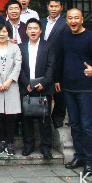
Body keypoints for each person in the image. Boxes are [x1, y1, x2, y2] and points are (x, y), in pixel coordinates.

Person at [62, 8, 92, 177]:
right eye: (70, 18)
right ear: (67, 21)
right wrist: (58, 80)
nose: (73, 21)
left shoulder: (91, 37)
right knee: (75, 124)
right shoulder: (64, 36)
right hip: (68, 87)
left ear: (82, 20)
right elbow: (60, 58)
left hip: (86, 87)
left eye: (76, 18)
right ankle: (79, 156)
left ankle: (89, 160)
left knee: (87, 125)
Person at [18, 18, 55, 159]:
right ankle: (28, 145)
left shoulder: (48, 46)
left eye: (35, 28)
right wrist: (26, 82)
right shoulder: (21, 47)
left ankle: (46, 148)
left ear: (40, 30)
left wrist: (44, 83)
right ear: (26, 31)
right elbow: (19, 68)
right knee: (26, 118)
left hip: (43, 88)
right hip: (26, 88)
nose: (33, 31)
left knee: (44, 119)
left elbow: (51, 66)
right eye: (30, 28)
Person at [0, 23, 22, 156]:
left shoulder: (15, 48)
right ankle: (1, 141)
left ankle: (10, 142)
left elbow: (18, 65)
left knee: (11, 116)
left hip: (11, 84)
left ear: (8, 33)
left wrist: (9, 81)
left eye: (4, 31)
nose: (2, 34)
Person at [41, 0, 69, 129]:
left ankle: (58, 117)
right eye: (51, 6)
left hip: (58, 60)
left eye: (56, 6)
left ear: (61, 8)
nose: (53, 9)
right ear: (48, 7)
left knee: (59, 91)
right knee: (43, 87)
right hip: (42, 60)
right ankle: (42, 113)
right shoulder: (41, 22)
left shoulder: (65, 23)